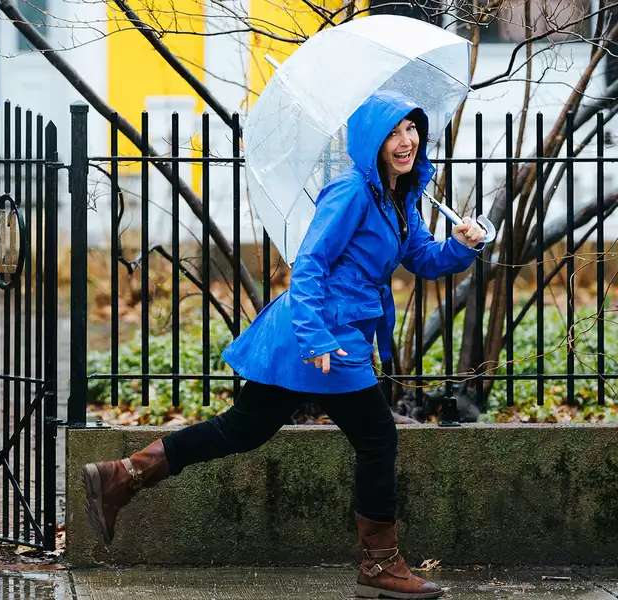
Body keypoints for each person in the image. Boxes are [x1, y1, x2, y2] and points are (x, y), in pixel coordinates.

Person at [81, 91, 485, 600]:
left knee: (244, 429)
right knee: (378, 439)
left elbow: (422, 258)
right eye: (393, 131)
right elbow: (311, 263)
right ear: (371, 140)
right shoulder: (353, 192)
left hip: (331, 333)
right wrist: (316, 336)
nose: (405, 141)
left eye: (412, 129)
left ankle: (122, 475)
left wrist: (461, 245)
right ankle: (380, 565)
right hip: (323, 335)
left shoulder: (397, 196)